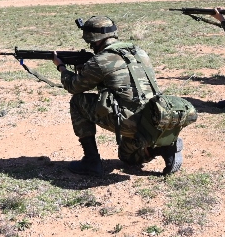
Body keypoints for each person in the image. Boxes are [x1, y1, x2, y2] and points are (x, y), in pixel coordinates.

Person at [53, 16, 184, 176]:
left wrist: (61, 67)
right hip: (155, 118)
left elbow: (73, 86)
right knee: (127, 157)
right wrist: (87, 70)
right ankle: (164, 148)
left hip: (130, 121)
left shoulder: (100, 60)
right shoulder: (138, 52)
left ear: (94, 40)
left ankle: (91, 161)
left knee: (77, 102)